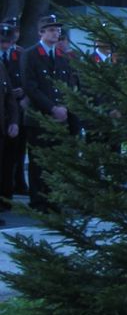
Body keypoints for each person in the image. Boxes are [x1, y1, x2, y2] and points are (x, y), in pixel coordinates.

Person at [20, 14, 76, 213]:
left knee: (56, 161)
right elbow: (31, 86)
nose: (56, 33)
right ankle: (38, 201)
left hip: (60, 117)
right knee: (38, 162)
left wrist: (65, 107)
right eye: (51, 29)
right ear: (41, 32)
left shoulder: (61, 56)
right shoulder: (31, 54)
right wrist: (52, 108)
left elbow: (68, 84)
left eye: (58, 30)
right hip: (39, 117)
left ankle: (54, 199)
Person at [0, 20, 27, 203]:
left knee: (11, 157)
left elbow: (10, 94)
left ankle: (7, 194)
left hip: (13, 114)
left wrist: (24, 92)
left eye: (8, 40)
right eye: (2, 41)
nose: (5, 44)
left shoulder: (21, 54)